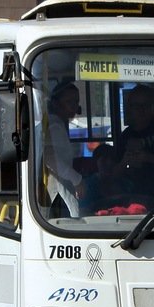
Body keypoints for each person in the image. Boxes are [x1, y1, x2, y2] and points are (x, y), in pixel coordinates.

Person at [115, 85, 154, 199]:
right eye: (137, 106)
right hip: (136, 196)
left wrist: (148, 158)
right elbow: (114, 175)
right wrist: (125, 161)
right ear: (130, 108)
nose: (141, 110)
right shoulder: (125, 136)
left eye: (146, 105)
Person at [43, 79, 85, 217]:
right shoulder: (55, 126)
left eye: (76, 102)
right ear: (55, 103)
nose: (74, 106)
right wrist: (76, 179)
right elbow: (49, 158)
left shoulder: (58, 123)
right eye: (69, 102)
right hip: (57, 195)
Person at [80, 143, 134, 214]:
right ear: (95, 163)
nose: (109, 164)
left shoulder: (126, 184)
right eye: (103, 161)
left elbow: (137, 209)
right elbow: (83, 214)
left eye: (112, 160)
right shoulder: (86, 186)